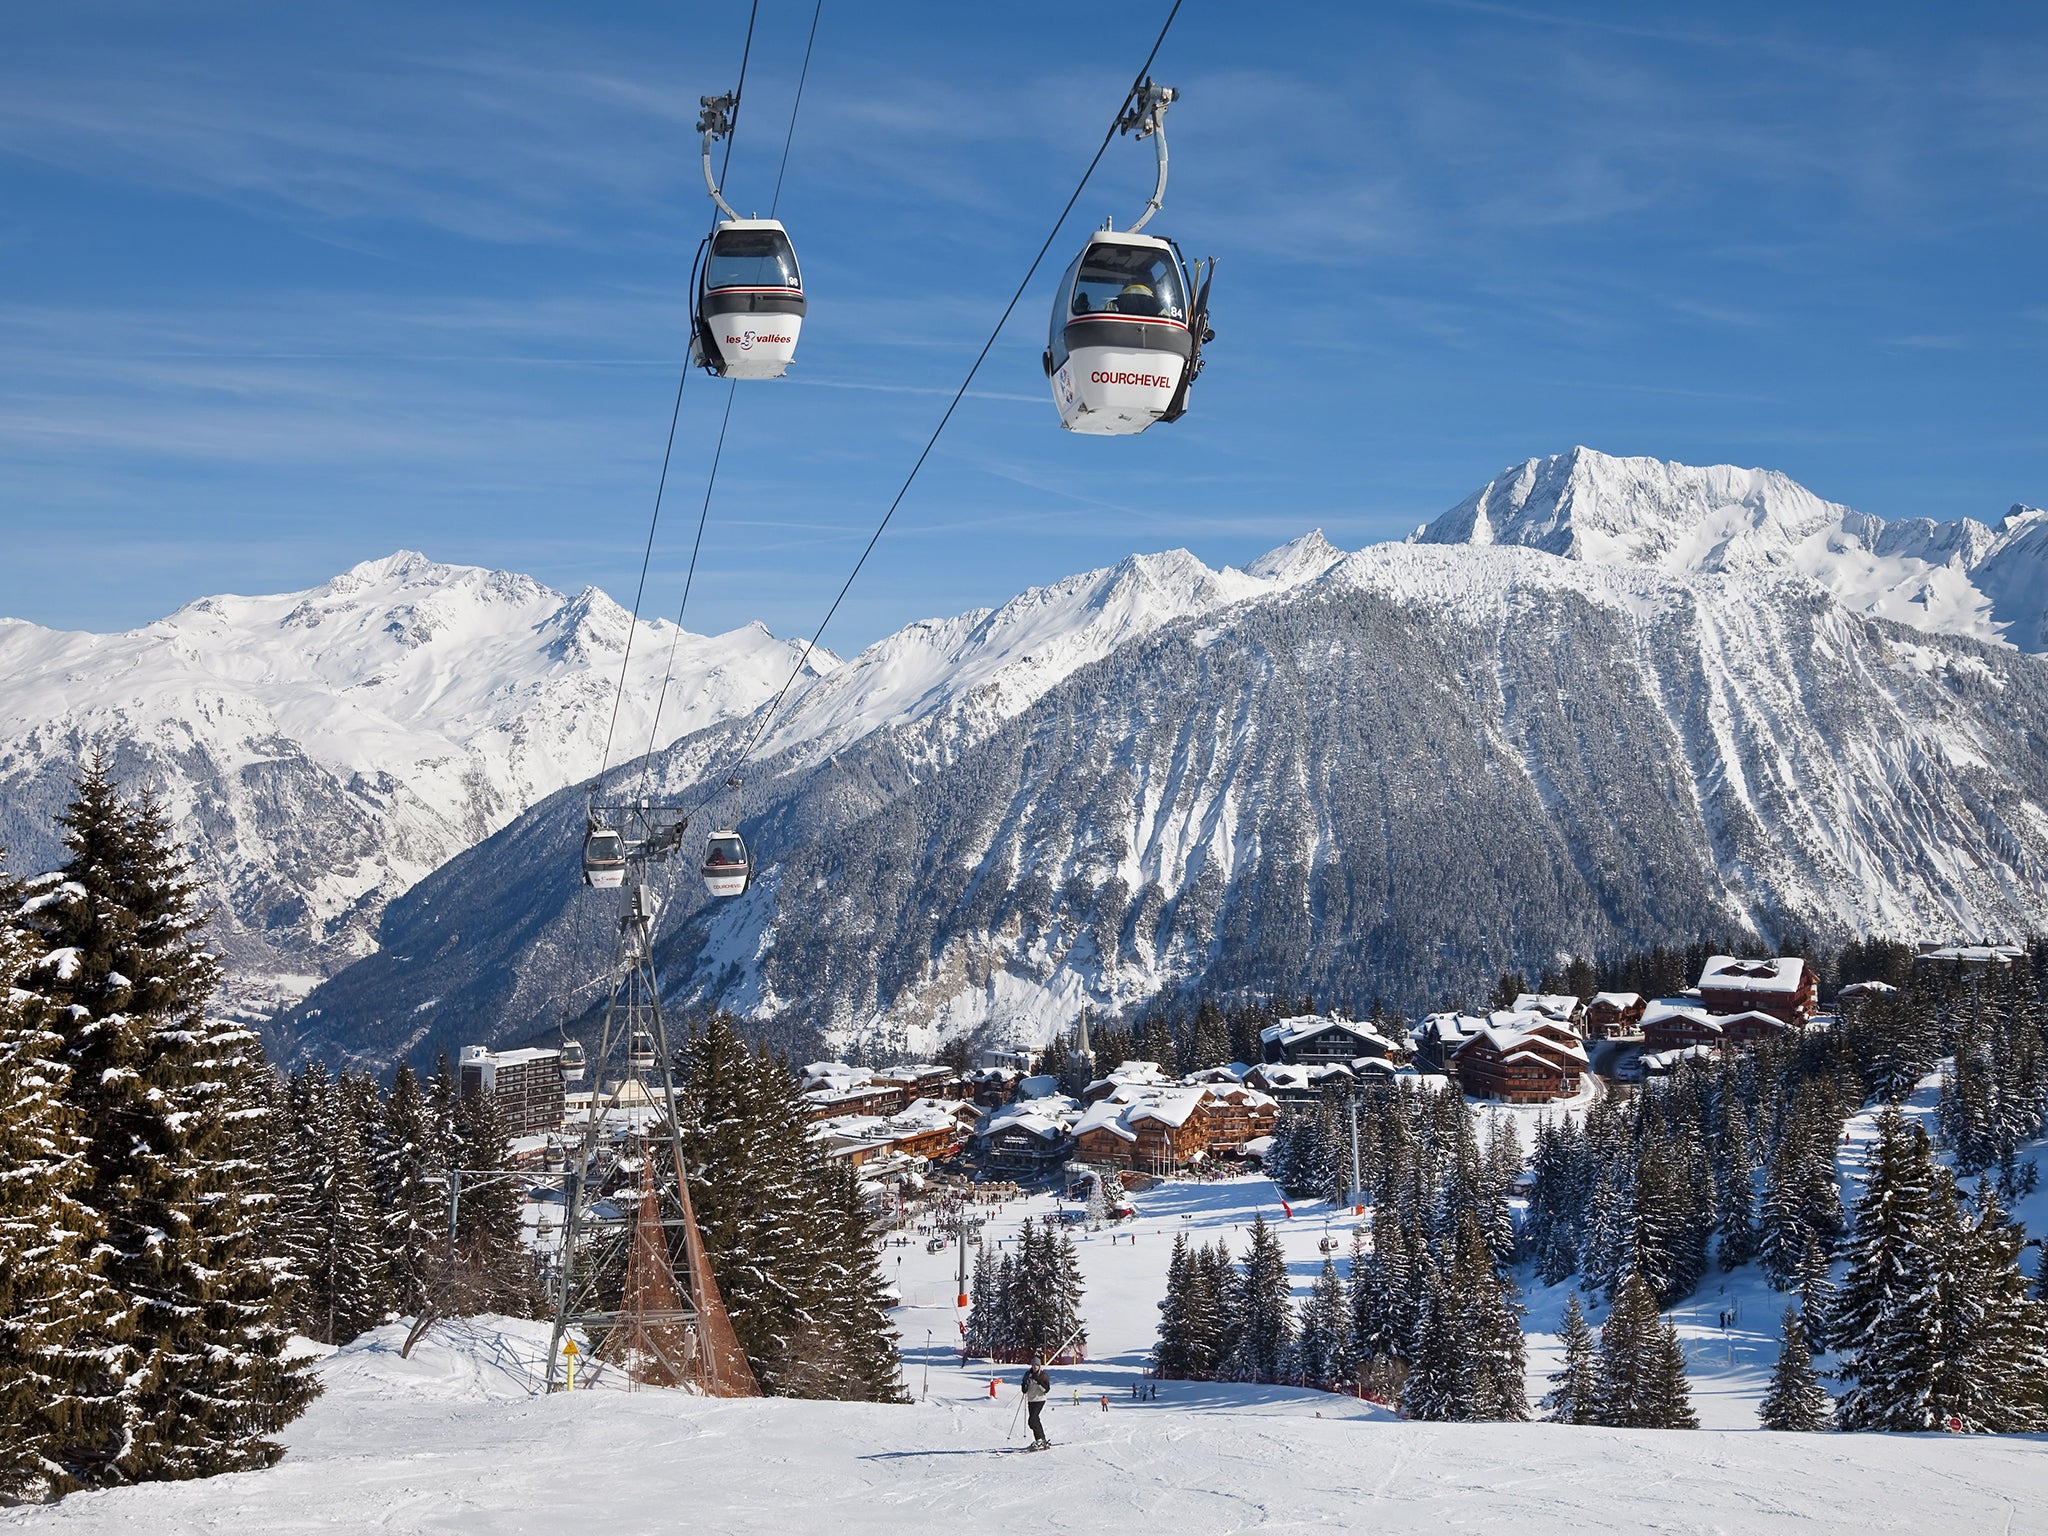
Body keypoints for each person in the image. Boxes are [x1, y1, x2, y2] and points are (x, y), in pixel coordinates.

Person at [1021, 1355, 1052, 1448]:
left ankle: (1040, 1439)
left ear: (1039, 1366)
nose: (1035, 1367)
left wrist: (1038, 1381)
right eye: (1033, 1365)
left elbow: (1046, 1389)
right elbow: (1024, 1388)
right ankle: (1041, 1439)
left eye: (1036, 1365)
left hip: (1040, 1400)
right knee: (1032, 1421)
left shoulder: (1043, 1375)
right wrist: (1024, 1387)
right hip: (1031, 1400)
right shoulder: (1028, 1374)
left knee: (1033, 1419)